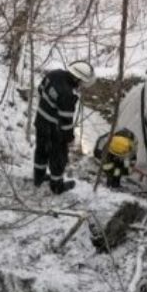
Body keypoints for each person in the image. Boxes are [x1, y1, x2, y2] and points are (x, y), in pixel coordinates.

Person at [34, 60, 96, 193]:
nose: (81, 85)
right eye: (81, 82)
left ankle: (38, 177)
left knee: (41, 150)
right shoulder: (67, 94)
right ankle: (57, 185)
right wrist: (69, 138)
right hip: (54, 130)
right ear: (77, 79)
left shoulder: (54, 74)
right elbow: (66, 122)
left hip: (40, 121)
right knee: (58, 157)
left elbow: (40, 89)